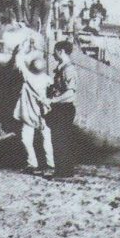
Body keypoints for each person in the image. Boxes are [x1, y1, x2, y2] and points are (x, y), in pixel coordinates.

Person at [13, 41, 55, 177]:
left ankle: (33, 164)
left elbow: (19, 62)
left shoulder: (28, 77)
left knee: (26, 139)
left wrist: (22, 48)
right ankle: (50, 164)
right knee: (46, 139)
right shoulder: (47, 79)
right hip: (44, 113)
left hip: (29, 113)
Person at [45, 41, 78, 177]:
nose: (53, 54)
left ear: (61, 51)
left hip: (64, 109)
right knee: (59, 140)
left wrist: (52, 100)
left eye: (55, 51)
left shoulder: (68, 69)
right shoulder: (62, 68)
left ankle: (64, 171)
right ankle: (63, 170)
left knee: (61, 140)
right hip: (60, 109)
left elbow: (70, 93)